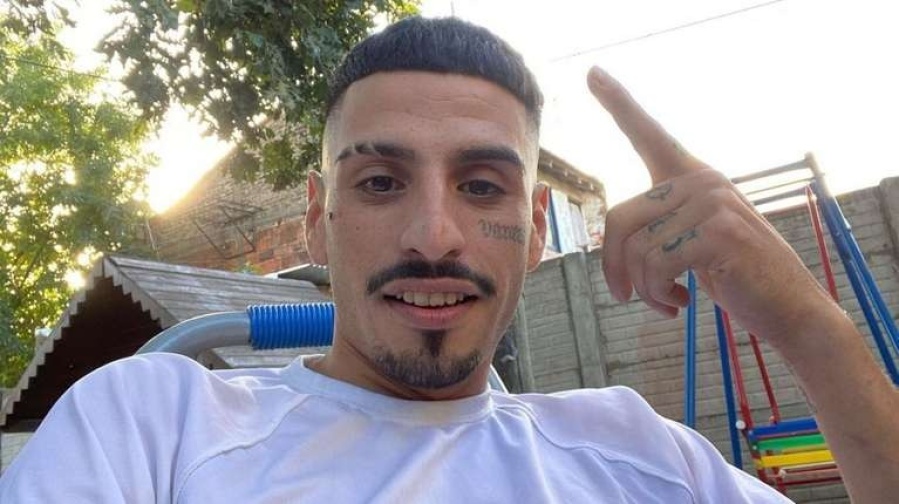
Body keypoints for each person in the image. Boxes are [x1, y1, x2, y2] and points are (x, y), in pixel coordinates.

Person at [1, 15, 897, 503]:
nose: (433, 237)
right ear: (317, 220)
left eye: (480, 186)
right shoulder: (152, 426)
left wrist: (806, 324)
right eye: (380, 183)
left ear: (537, 227)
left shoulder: (642, 458)